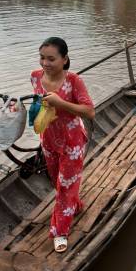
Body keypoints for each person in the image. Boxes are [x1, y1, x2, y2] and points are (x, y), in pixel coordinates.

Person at [30, 37, 95, 253]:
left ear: (64, 59)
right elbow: (38, 104)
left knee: (65, 186)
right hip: (48, 139)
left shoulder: (74, 80)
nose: (45, 63)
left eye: (51, 59)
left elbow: (89, 111)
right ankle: (74, 206)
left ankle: (59, 231)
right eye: (42, 58)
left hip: (72, 141)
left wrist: (61, 103)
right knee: (57, 182)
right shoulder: (35, 77)